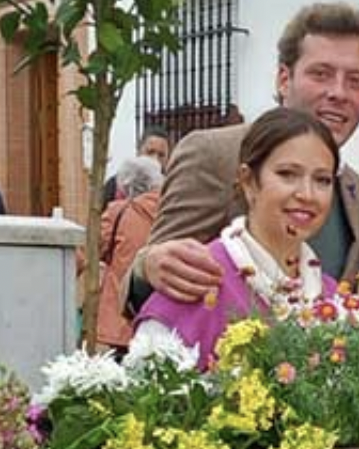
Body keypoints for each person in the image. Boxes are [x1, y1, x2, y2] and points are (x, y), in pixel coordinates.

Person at [139, 3, 359, 299]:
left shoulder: (355, 190)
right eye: (321, 74)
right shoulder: (213, 155)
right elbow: (149, 285)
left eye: (355, 81)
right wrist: (146, 267)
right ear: (284, 80)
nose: (339, 93)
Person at [135, 108, 341, 367]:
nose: (307, 194)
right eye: (287, 174)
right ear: (248, 181)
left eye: (322, 180)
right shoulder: (196, 278)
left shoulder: (333, 300)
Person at [95, 156, 166, 352]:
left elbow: (92, 250)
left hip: (121, 316)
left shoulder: (117, 213)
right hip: (162, 313)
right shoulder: (171, 212)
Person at [104, 128, 173, 206]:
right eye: (150, 152)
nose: (155, 159)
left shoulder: (171, 189)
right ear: (139, 152)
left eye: (161, 155)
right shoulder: (115, 185)